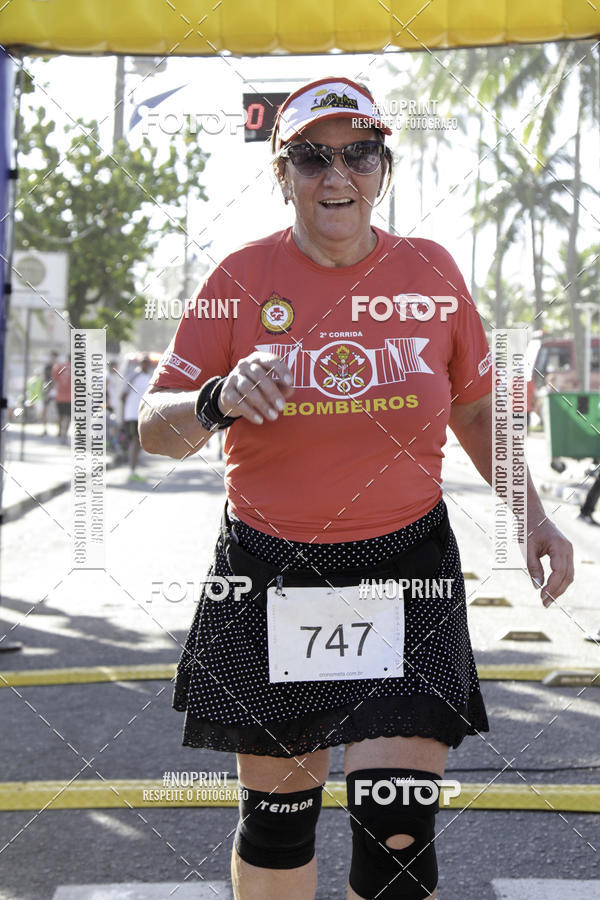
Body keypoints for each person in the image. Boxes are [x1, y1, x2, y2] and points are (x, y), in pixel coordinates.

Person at [139, 77, 574, 900]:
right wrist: (216, 397)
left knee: (397, 825)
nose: (336, 176)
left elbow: (476, 411)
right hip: (269, 567)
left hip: (407, 563)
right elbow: (152, 429)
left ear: (383, 165)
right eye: (311, 157)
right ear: (281, 172)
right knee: (278, 822)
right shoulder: (238, 278)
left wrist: (535, 518)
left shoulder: (433, 271)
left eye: (358, 154)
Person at [121, 355, 153, 481]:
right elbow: (123, 395)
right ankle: (132, 472)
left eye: (147, 363)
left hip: (143, 415)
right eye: (143, 362)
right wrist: (126, 412)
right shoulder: (134, 376)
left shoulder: (150, 378)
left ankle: (133, 469)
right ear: (140, 363)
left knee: (140, 442)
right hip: (133, 414)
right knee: (135, 441)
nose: (145, 365)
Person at [51, 354, 71, 442]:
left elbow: (54, 380)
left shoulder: (59, 366)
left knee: (60, 415)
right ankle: (65, 433)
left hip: (59, 396)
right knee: (68, 416)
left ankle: (60, 431)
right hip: (71, 397)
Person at [42, 350, 58, 435]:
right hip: (48, 389)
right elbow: (45, 378)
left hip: (56, 390)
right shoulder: (47, 366)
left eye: (54, 357)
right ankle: (45, 429)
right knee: (45, 409)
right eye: (52, 357)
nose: (53, 358)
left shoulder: (58, 366)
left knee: (57, 409)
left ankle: (59, 430)